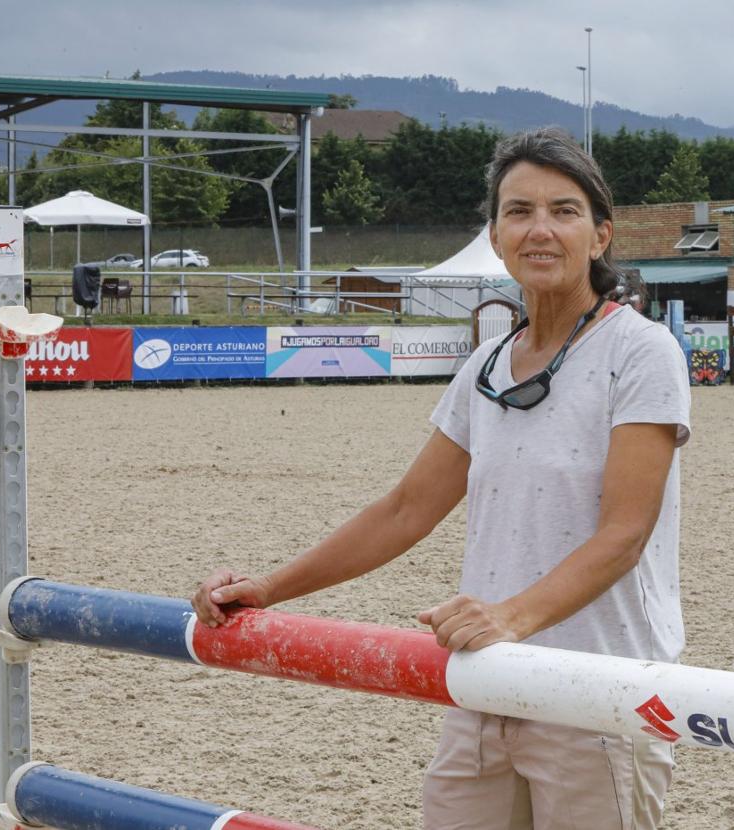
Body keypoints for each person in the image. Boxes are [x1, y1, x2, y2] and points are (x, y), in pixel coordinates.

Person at [192, 127, 691, 830]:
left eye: (564, 210)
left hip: (597, 690)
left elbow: (625, 533)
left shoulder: (641, 351)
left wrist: (508, 617)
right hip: (485, 684)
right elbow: (405, 510)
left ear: (601, 235)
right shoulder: (486, 366)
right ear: (494, 235)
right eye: (519, 211)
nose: (540, 229)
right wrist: (269, 589)